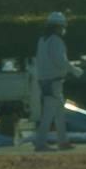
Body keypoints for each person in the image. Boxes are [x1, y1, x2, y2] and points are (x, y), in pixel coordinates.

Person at [33, 11, 75, 152]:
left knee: (59, 114)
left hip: (45, 81)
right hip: (54, 82)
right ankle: (40, 143)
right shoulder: (56, 41)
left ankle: (63, 141)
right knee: (49, 114)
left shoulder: (42, 40)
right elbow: (60, 61)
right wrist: (74, 70)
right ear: (58, 27)